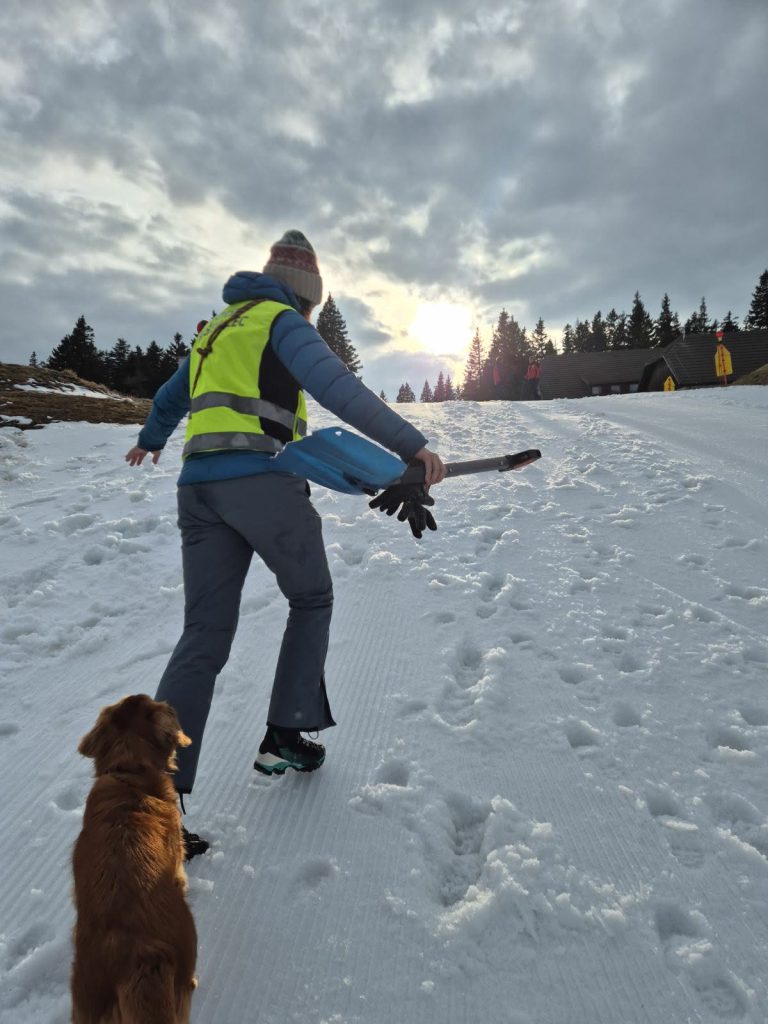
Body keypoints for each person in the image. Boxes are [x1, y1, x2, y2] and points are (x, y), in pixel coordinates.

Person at [125, 230, 446, 858]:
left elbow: (169, 398)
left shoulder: (218, 330)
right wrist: (411, 446)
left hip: (198, 490)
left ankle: (150, 804)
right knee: (312, 598)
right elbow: (339, 388)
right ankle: (286, 734)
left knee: (203, 634)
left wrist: (151, 439)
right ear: (305, 294)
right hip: (261, 482)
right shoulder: (281, 321)